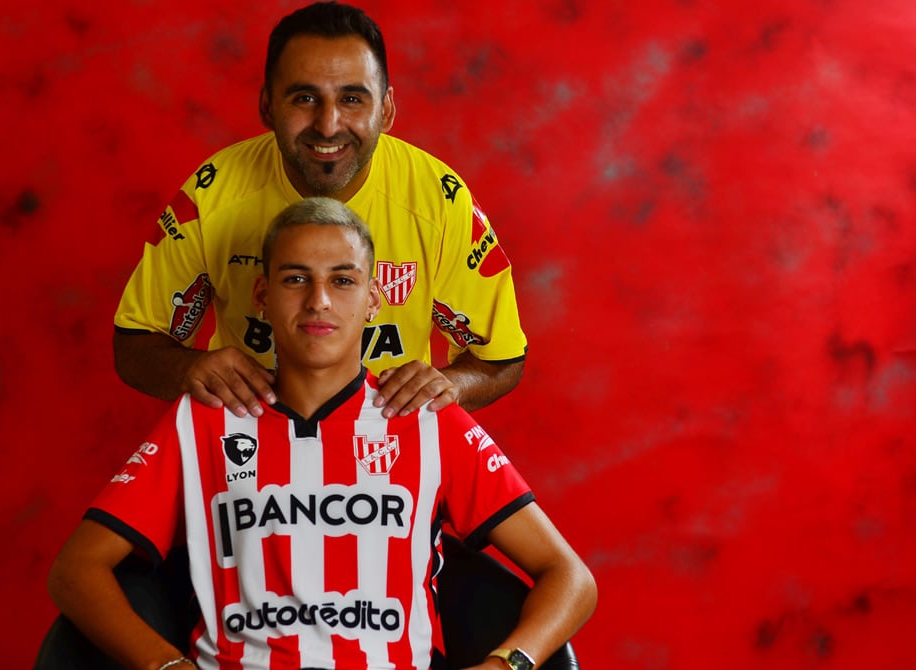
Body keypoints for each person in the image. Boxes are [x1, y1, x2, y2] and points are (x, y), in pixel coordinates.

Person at [49, 198, 596, 670]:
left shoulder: (427, 419)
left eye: (342, 279)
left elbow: (570, 577)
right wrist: (163, 663)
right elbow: (76, 572)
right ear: (262, 294)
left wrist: (507, 662)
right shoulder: (206, 419)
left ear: (374, 298)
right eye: (295, 279)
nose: (318, 301)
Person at [112, 1, 527, 421]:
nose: (328, 125)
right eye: (304, 97)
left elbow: (502, 358)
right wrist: (189, 369)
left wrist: (450, 386)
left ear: (385, 110)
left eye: (351, 98)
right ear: (268, 106)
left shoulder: (439, 200)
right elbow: (134, 344)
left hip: (386, 451)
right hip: (249, 448)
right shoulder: (213, 193)